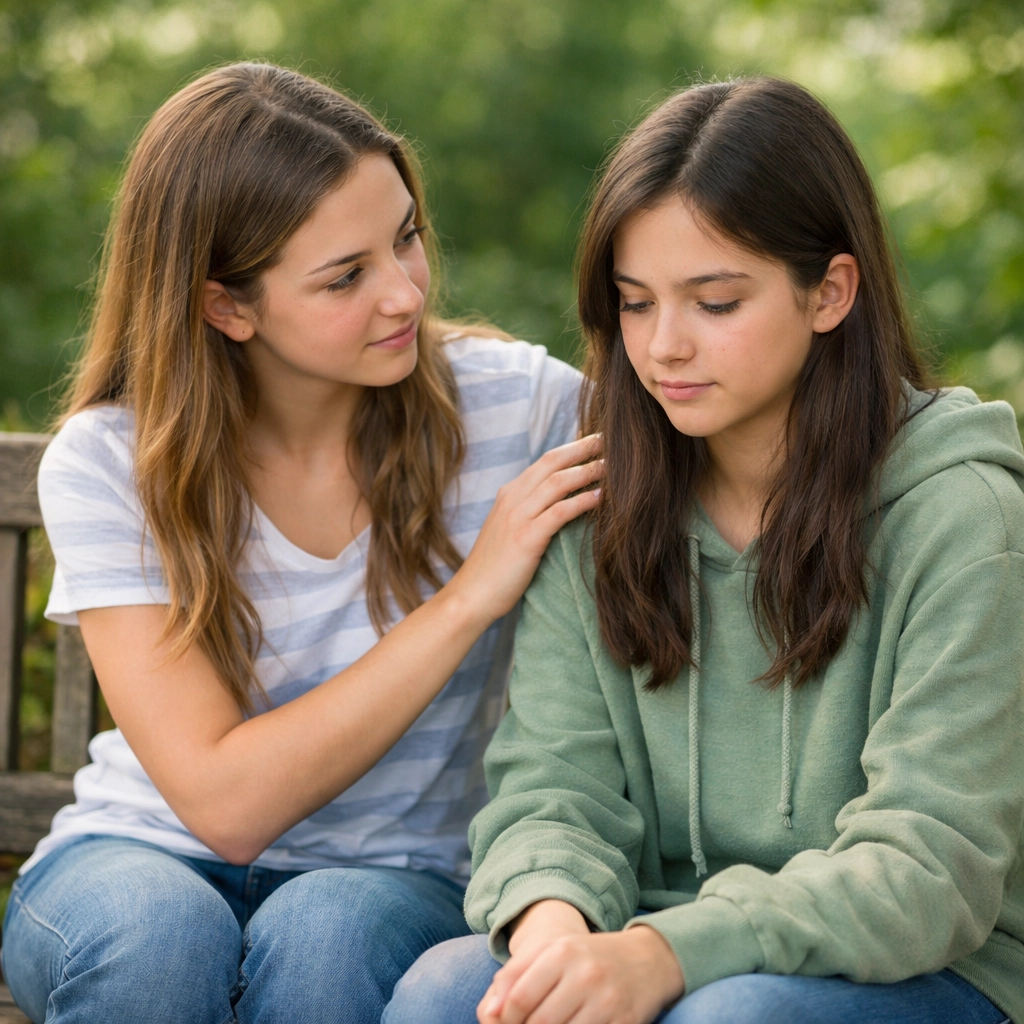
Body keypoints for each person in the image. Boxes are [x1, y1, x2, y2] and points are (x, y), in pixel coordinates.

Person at [382, 77, 1024, 1024]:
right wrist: (553, 934)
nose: (664, 347)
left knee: (731, 1018)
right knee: (447, 992)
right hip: (654, 938)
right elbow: (553, 796)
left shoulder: (963, 518)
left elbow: (928, 868)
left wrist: (667, 954)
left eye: (715, 302)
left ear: (831, 292)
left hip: (923, 970)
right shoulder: (596, 509)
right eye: (635, 304)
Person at [0, 62, 604, 1024]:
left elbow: (718, 444)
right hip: (138, 857)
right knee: (159, 944)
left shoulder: (519, 409)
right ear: (225, 305)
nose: (405, 294)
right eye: (344, 277)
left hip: (397, 878)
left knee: (330, 934)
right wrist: (467, 599)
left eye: (405, 237)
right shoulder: (112, 462)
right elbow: (225, 808)